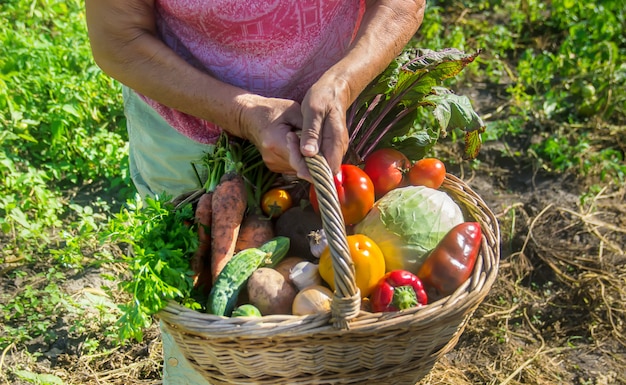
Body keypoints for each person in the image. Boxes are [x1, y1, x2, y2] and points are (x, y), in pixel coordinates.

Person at [85, 0, 425, 383]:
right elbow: (117, 38)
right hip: (187, 131)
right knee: (206, 343)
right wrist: (242, 113)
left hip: (335, 132)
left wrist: (343, 82)